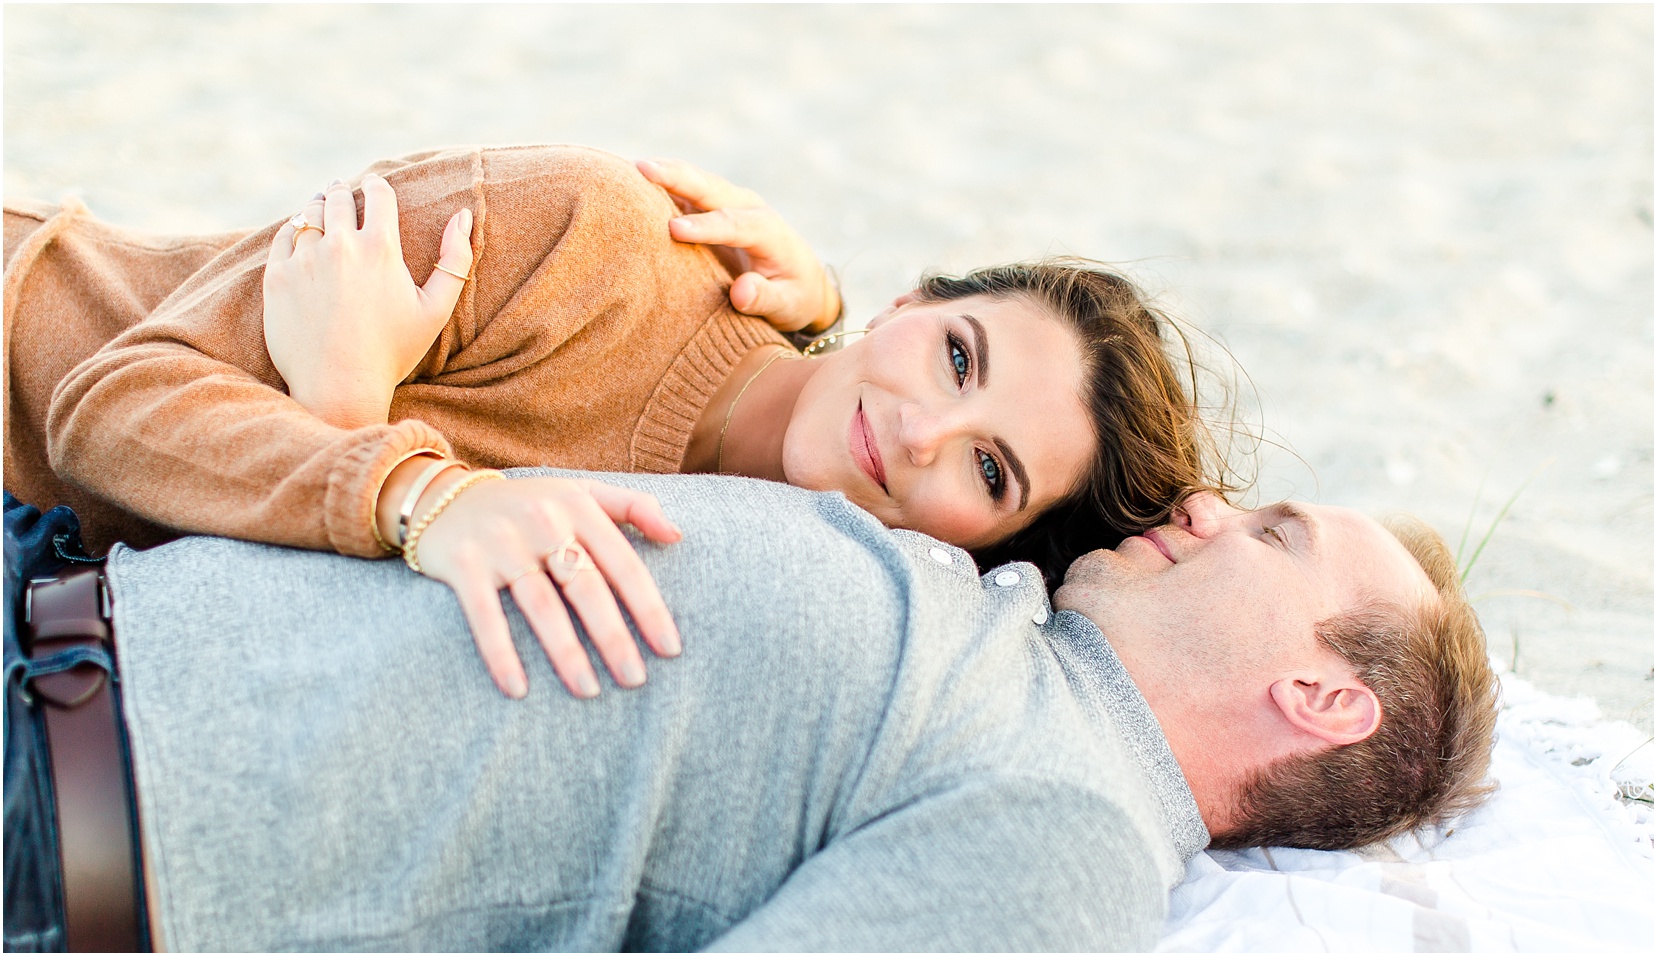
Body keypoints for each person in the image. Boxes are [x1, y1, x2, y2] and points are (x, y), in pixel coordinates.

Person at [3, 470, 1498, 953]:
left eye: (1276, 535)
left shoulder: (1068, 846)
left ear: (1320, 695)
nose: (1211, 502)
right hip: (58, 595)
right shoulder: (1002, 640)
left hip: (63, 814)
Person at [4, 146, 1222, 701]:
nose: (920, 436)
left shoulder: (762, 588)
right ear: (911, 300)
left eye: (990, 466)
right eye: (957, 354)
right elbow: (104, 411)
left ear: (985, 550)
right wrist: (423, 493)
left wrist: (343, 415)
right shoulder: (597, 236)